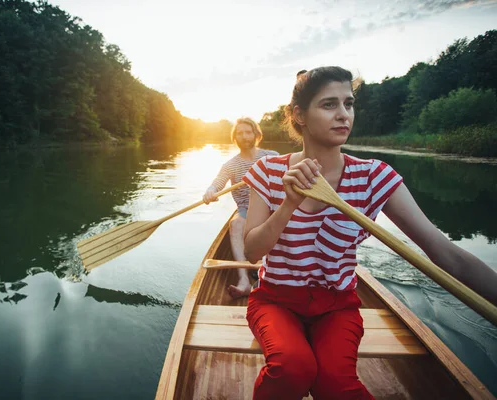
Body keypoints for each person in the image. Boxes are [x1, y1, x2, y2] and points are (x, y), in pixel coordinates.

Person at [242, 66, 497, 400]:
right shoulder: (268, 171)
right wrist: (288, 204)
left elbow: (443, 251)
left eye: (349, 104)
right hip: (275, 300)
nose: (344, 115)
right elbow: (251, 252)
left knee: (335, 384)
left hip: (337, 307)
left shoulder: (374, 176)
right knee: (293, 367)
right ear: (298, 115)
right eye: (329, 105)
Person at [203, 117, 278, 299]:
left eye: (247, 132)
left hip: (272, 208)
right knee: (236, 225)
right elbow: (218, 182)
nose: (244, 136)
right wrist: (211, 190)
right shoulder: (231, 165)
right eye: (239, 133)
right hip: (246, 209)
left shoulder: (271, 157)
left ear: (256, 134)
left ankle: (275, 274)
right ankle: (244, 280)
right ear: (234, 137)